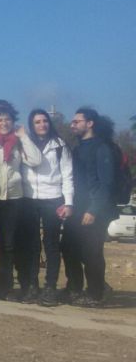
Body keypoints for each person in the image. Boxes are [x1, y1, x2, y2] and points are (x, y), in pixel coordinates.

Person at [0, 99, 43, 302]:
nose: (4, 123)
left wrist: (24, 136)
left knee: (8, 245)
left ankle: (5, 287)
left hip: (13, 199)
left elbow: (36, 160)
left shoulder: (18, 141)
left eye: (7, 119)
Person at [61, 107, 119, 307]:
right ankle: (74, 287)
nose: (72, 125)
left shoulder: (102, 148)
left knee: (91, 252)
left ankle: (96, 294)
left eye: (76, 121)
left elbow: (106, 183)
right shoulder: (78, 148)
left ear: (90, 123)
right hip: (77, 209)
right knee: (68, 247)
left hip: (95, 210)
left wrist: (93, 210)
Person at [19, 108, 74, 306]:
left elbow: (67, 175)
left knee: (51, 244)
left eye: (45, 121)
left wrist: (68, 202)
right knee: (31, 245)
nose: (42, 125)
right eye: (37, 122)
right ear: (31, 125)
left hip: (53, 198)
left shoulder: (60, 145)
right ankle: (32, 286)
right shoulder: (24, 143)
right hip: (29, 198)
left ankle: (50, 287)